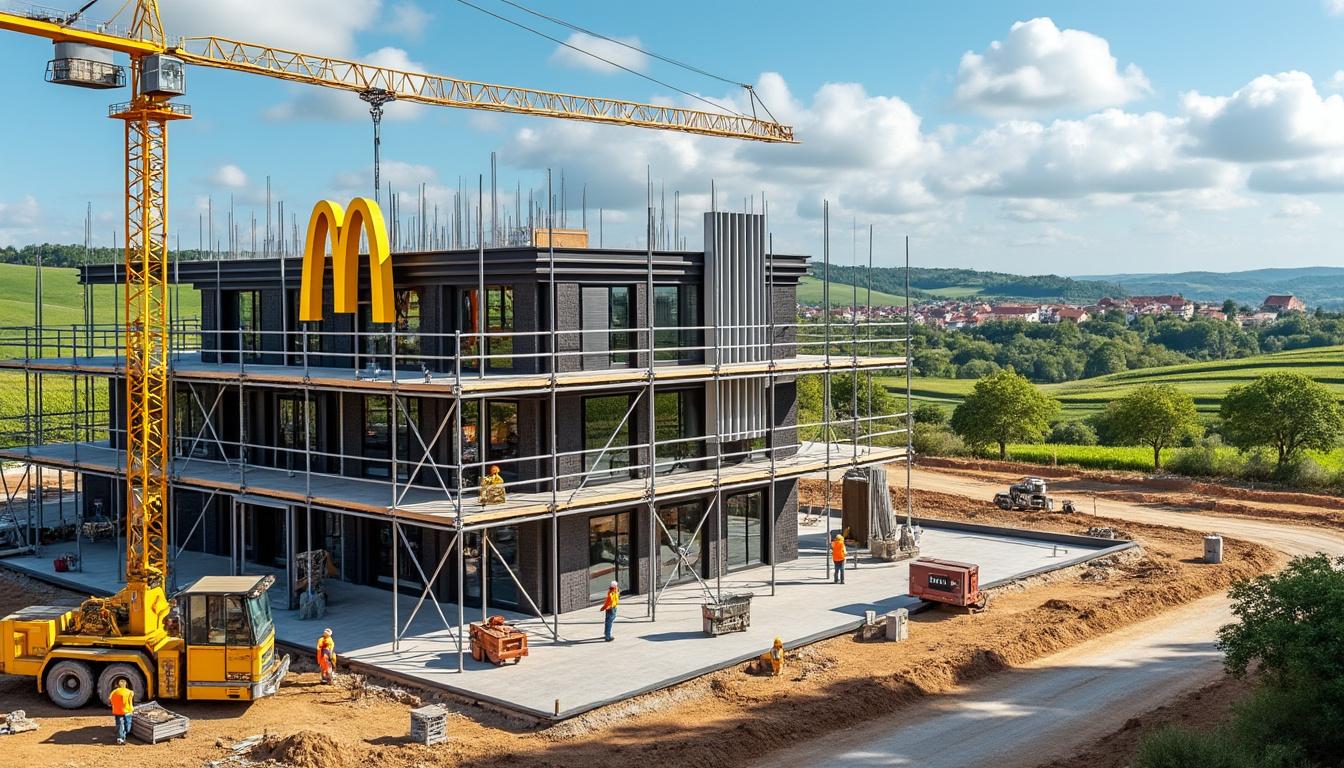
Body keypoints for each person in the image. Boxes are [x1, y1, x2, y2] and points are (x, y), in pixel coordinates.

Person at [109, 678, 134, 745]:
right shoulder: (130, 692)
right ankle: (121, 738)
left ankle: (121, 736)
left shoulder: (113, 692)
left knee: (120, 724)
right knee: (126, 726)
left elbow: (110, 700)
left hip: (118, 712)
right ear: (126, 685)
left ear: (118, 685)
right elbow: (131, 701)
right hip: (127, 712)